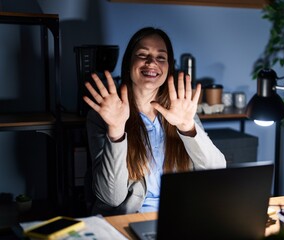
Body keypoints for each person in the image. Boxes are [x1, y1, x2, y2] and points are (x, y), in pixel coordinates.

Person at [83, 27, 226, 216]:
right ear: (128, 62)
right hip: (130, 221)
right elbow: (111, 198)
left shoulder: (180, 110)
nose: (151, 63)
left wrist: (187, 127)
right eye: (143, 55)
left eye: (161, 58)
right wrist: (116, 131)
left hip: (181, 217)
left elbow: (216, 171)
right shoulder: (103, 116)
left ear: (168, 67)